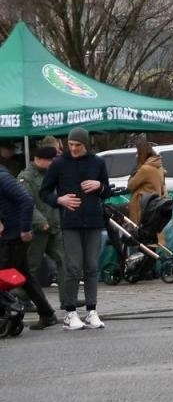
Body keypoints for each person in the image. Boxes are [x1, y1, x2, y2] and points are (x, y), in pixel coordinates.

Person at [41, 127, 111, 330]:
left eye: (77, 145)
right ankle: (70, 313)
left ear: (85, 144)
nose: (73, 148)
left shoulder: (97, 162)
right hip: (70, 223)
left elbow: (107, 190)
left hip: (94, 221)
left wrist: (100, 186)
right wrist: (59, 199)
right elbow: (44, 192)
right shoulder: (59, 163)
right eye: (70, 144)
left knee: (91, 267)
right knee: (73, 268)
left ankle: (91, 311)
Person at [0, 165, 54, 330]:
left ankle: (10, 312)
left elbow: (26, 200)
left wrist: (24, 229)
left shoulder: (3, 178)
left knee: (3, 276)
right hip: (11, 234)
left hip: (15, 236)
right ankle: (47, 314)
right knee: (25, 276)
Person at [18, 144, 60, 329]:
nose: (52, 163)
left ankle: (69, 299)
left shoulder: (50, 175)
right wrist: (40, 222)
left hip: (53, 226)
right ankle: (21, 298)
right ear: (39, 159)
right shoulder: (26, 178)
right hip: (37, 229)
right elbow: (27, 203)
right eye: (49, 160)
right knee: (30, 267)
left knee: (64, 260)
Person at [125, 141, 166, 231]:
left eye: (137, 153)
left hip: (142, 206)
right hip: (154, 204)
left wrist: (135, 170)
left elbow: (131, 185)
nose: (136, 156)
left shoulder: (145, 169)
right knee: (153, 232)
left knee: (141, 233)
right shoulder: (159, 167)